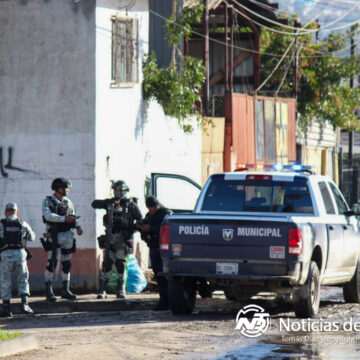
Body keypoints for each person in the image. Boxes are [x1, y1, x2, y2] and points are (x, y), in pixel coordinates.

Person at [92, 180, 142, 299]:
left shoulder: (131, 204)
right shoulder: (111, 203)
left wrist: (126, 233)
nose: (117, 193)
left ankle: (120, 290)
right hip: (110, 237)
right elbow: (94, 204)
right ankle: (102, 290)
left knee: (120, 264)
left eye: (119, 190)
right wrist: (108, 203)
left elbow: (140, 222)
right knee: (107, 264)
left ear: (125, 191)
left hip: (123, 239)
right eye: (115, 190)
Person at [42, 178, 83, 302]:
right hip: (55, 235)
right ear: (58, 188)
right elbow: (47, 215)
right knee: (52, 262)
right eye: (65, 187)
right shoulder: (48, 201)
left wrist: (77, 226)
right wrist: (63, 219)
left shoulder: (68, 202)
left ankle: (65, 289)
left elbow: (73, 215)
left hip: (67, 235)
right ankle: (49, 290)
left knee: (67, 263)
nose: (67, 190)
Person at [0, 202, 35, 317]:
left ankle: (6, 308)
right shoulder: (22, 223)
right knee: (23, 279)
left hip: (5, 255)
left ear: (6, 212)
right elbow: (32, 237)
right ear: (17, 212)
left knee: (5, 280)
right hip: (20, 255)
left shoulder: (1, 224)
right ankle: (24, 304)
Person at [137, 196, 171, 310]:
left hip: (164, 251)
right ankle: (163, 302)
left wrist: (150, 228)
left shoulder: (166, 213)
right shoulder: (149, 215)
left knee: (166, 277)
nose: (151, 210)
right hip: (153, 249)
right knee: (159, 277)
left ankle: (168, 302)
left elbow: (165, 229)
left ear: (157, 205)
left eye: (152, 207)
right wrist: (141, 226)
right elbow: (145, 225)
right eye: (149, 208)